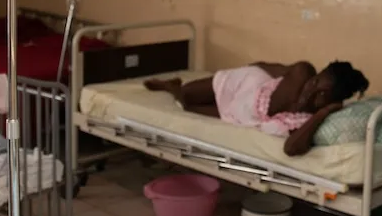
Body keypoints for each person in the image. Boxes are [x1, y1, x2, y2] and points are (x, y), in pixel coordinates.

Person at [144, 60, 370, 156]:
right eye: (315, 83)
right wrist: (246, 68)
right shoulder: (303, 72)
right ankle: (171, 86)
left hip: (243, 114)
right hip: (247, 85)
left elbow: (291, 148)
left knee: (187, 107)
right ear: (315, 75)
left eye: (322, 95)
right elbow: (270, 67)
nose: (311, 93)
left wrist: (322, 113)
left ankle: (173, 89)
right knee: (187, 94)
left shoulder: (305, 119)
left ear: (331, 102)